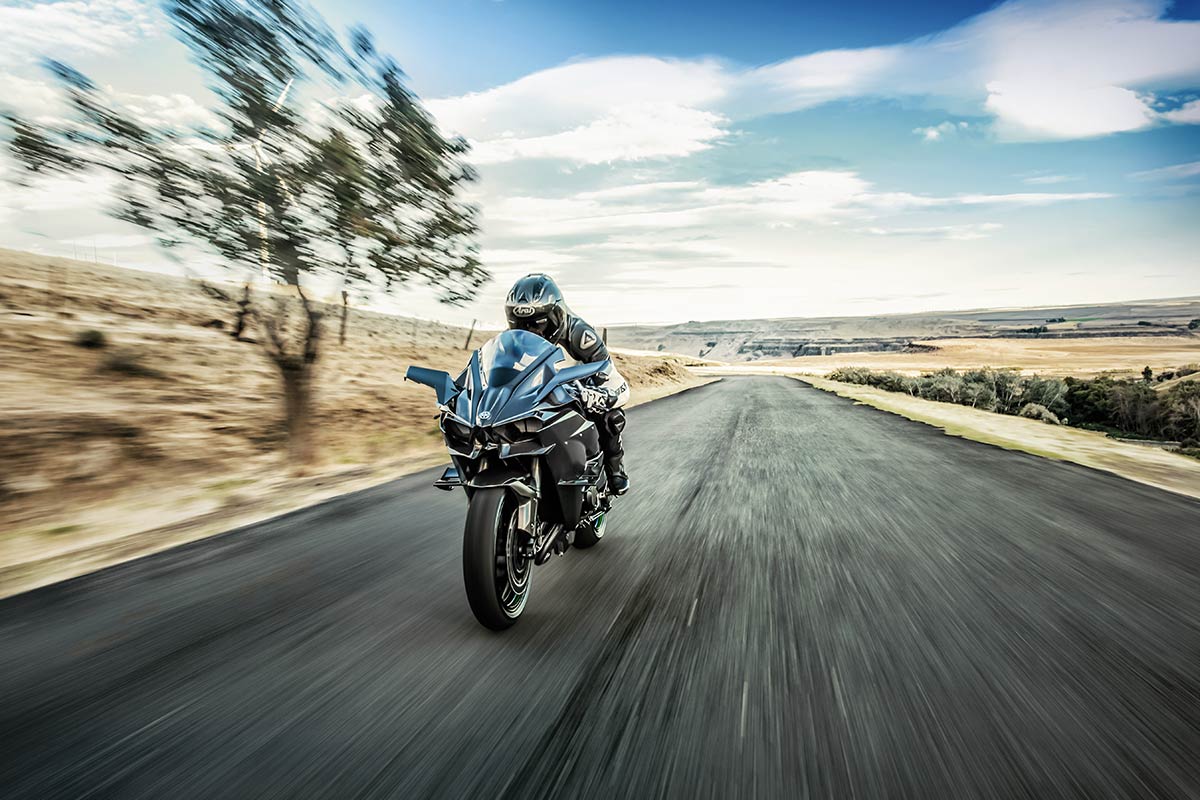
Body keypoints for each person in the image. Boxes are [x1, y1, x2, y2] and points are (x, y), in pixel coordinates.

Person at [504, 273, 630, 495]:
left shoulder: (580, 334)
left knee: (611, 416)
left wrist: (601, 396)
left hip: (580, 393)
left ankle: (614, 468)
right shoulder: (511, 340)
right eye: (522, 324)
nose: (531, 331)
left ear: (556, 315)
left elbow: (613, 379)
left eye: (538, 323)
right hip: (537, 396)